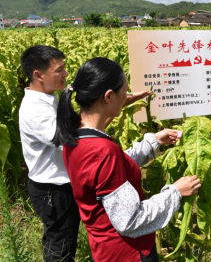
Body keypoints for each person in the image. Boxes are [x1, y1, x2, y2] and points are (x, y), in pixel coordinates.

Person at [52, 57, 201, 262]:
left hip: (104, 249)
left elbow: (109, 171)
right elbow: (130, 220)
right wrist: (175, 192)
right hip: (129, 253)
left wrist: (152, 142)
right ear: (108, 96)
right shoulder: (103, 151)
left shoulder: (74, 135)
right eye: (125, 90)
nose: (128, 96)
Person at [19, 45, 153, 261]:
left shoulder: (50, 98)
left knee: (70, 236)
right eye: (59, 70)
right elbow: (79, 139)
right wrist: (110, 106)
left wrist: (115, 103)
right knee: (60, 246)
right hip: (54, 190)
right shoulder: (36, 112)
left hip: (67, 182)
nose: (65, 74)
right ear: (38, 75)